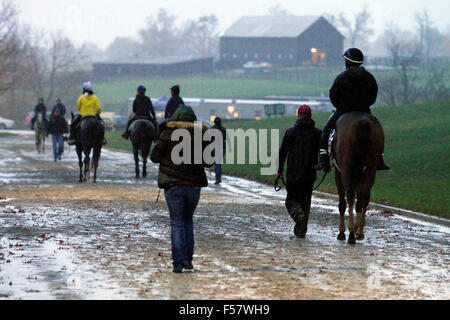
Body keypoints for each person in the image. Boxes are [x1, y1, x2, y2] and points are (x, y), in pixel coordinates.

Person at [150, 104, 212, 273]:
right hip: (194, 186)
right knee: (187, 221)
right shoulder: (201, 135)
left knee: (176, 223)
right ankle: (187, 260)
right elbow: (209, 162)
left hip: (173, 185)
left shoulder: (168, 133)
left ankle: (177, 264)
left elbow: (154, 157)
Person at [316, 48, 390, 172]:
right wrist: (364, 105)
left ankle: (323, 160)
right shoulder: (369, 77)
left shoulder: (342, 77)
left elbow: (333, 94)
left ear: (348, 62)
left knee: (326, 131)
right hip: (364, 111)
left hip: (343, 111)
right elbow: (373, 96)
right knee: (377, 129)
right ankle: (380, 159)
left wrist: (339, 106)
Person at [277, 105, 321, 238]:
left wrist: (280, 170)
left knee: (291, 200)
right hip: (309, 173)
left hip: (293, 172)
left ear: (298, 115)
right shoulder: (318, 133)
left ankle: (298, 216)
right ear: (310, 115)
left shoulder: (290, 132)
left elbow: (283, 152)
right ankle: (302, 230)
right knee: (305, 201)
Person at [211, 117, 228, 185]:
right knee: (219, 163)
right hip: (222, 148)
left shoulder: (212, 129)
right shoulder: (223, 129)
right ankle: (219, 178)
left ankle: (217, 179)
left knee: (217, 163)